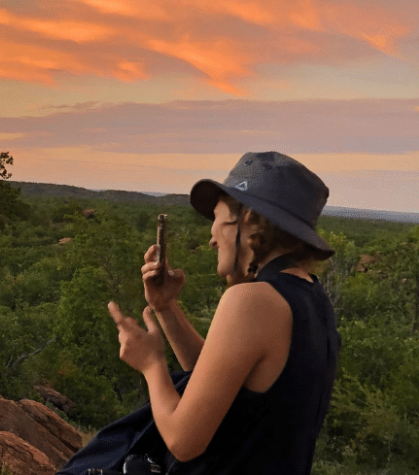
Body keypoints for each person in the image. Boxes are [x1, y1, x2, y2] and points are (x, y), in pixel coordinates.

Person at [106, 152, 340, 474]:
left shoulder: (252, 300)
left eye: (216, 217)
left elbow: (182, 440)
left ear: (247, 218)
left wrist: (151, 364)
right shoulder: (311, 297)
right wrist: (165, 307)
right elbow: (218, 378)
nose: (212, 237)